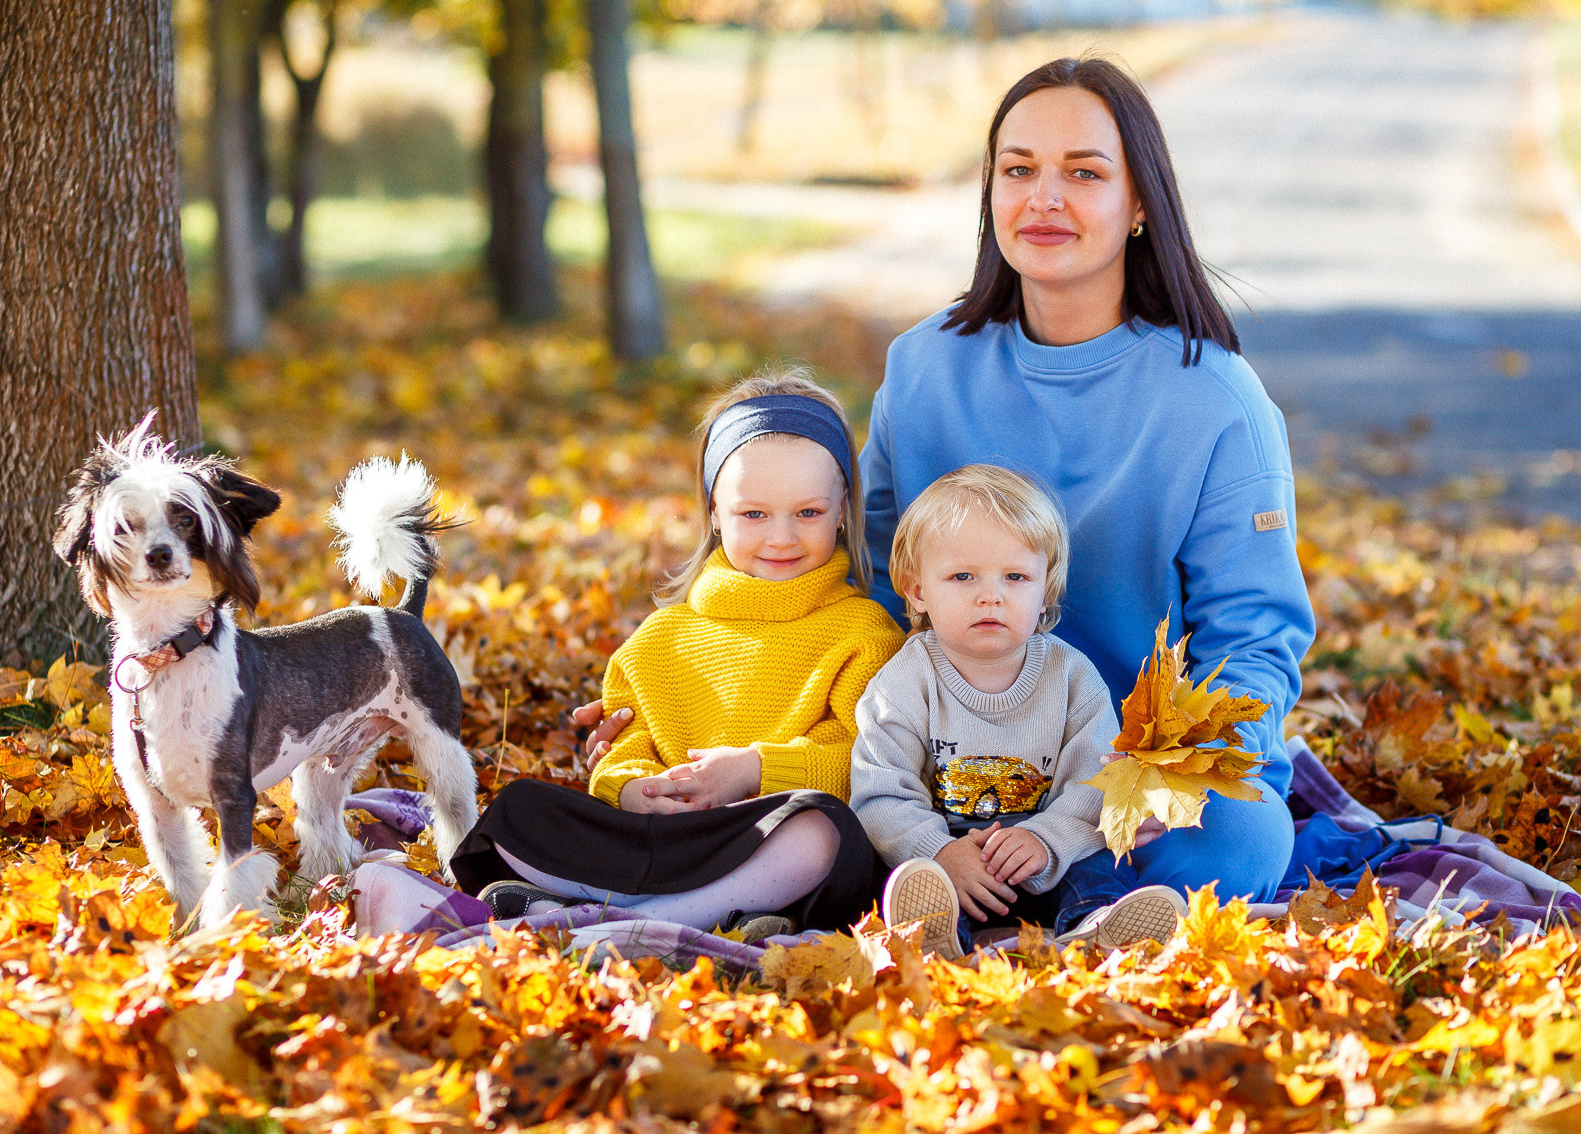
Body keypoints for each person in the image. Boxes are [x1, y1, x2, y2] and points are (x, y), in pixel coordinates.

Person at [856, 56, 1316, 907]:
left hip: (1119, 783)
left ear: (1140, 203)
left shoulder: (1214, 399)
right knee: (812, 802)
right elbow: (863, 585)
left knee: (1245, 834)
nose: (1044, 198)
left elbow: (1252, 640)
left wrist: (1156, 777)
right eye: (1018, 169)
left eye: (1085, 174)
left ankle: (1070, 908)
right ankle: (956, 880)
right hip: (936, 755)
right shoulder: (923, 369)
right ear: (989, 191)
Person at [450, 369, 904, 939]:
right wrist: (634, 788)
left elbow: (865, 759)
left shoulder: (864, 632)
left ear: (842, 511)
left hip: (764, 835)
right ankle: (703, 917)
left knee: (824, 830)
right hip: (668, 838)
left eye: (808, 513)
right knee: (517, 810)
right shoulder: (663, 637)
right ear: (714, 512)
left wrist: (753, 771)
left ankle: (633, 922)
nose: (781, 537)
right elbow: (629, 742)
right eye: (754, 514)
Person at [849, 465, 1185, 958]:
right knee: (906, 877)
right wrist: (938, 851)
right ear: (918, 590)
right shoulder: (903, 682)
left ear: (1045, 589)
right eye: (962, 576)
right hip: (947, 855)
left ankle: (1097, 928)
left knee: (1094, 866)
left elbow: (1095, 783)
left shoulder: (1071, 677)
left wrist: (1047, 839)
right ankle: (930, 937)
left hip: (1042, 852)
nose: (992, 595)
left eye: (1016, 576)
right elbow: (880, 793)